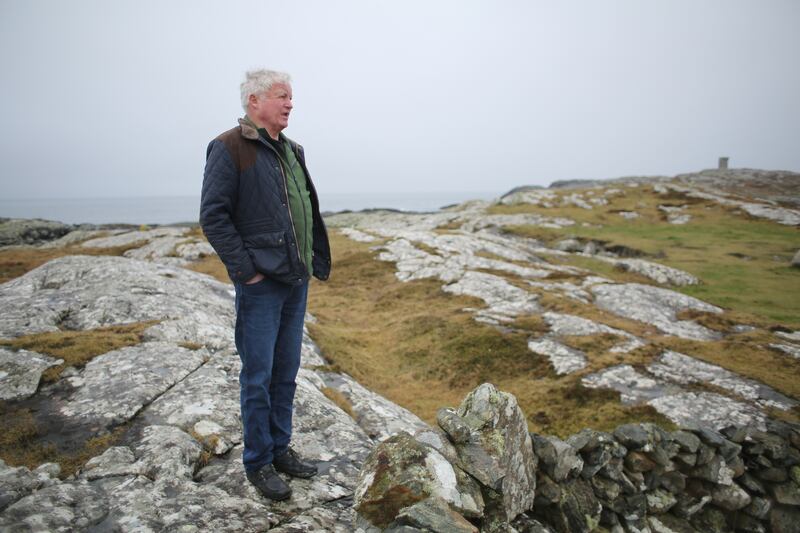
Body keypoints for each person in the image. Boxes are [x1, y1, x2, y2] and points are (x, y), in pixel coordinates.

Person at [200, 69, 331, 501]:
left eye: (291, 96)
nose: (290, 103)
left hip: (295, 280)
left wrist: (310, 262)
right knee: (258, 376)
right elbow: (214, 216)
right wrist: (247, 272)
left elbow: (302, 209)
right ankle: (258, 461)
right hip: (261, 285)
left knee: (286, 372)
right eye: (281, 96)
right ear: (254, 101)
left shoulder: (292, 150)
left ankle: (279, 448)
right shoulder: (229, 147)